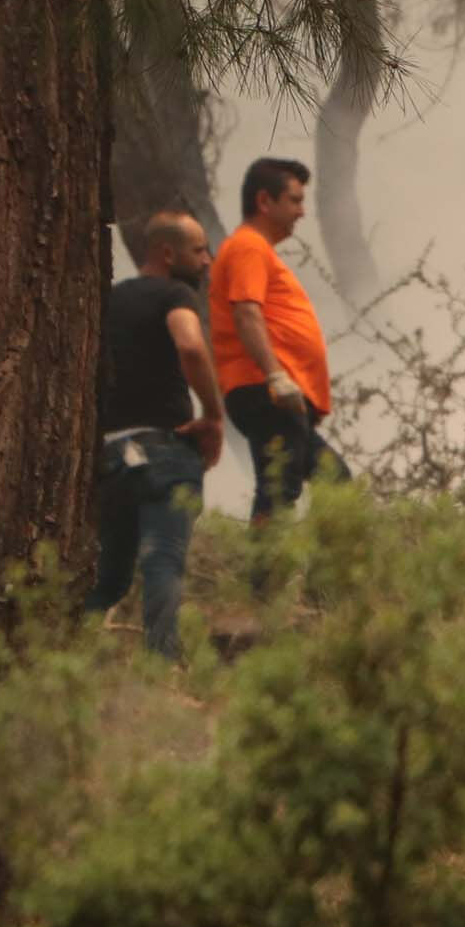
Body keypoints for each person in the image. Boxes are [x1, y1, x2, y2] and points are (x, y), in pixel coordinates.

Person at [85, 210, 224, 659]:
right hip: (165, 451)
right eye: (199, 250)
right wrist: (213, 415)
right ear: (168, 252)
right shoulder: (174, 293)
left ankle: (60, 655)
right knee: (164, 557)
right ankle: (162, 667)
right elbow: (189, 345)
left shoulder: (109, 300)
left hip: (113, 455)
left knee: (110, 575)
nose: (207, 260)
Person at [210, 156, 337, 525]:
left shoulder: (256, 250)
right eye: (295, 200)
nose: (302, 212)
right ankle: (261, 580)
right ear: (265, 202)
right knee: (278, 491)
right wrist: (276, 376)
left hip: (278, 396)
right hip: (265, 391)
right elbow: (246, 312)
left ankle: (323, 583)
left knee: (336, 481)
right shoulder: (248, 246)